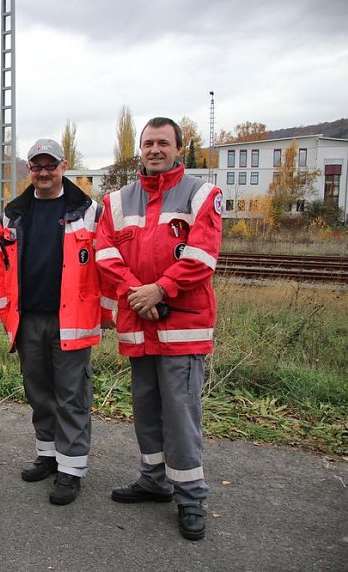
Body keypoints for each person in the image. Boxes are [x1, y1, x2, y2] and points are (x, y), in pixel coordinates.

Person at [95, 117, 223, 540]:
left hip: (181, 327)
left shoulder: (202, 195)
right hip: (139, 322)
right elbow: (105, 253)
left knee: (181, 413)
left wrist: (160, 290)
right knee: (146, 409)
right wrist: (138, 293)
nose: (154, 149)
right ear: (141, 148)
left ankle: (191, 497)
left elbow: (202, 256)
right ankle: (153, 480)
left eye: (163, 143)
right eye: (148, 142)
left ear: (178, 149)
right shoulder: (117, 201)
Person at [0, 138, 114, 506]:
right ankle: (47, 455)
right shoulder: (14, 213)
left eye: (50, 165)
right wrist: (7, 314)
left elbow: (107, 265)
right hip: (29, 319)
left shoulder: (89, 211)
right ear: (29, 170)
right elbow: (1, 266)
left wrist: (105, 314)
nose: (43, 172)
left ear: (63, 166)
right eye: (37, 166)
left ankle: (71, 469)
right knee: (39, 392)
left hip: (72, 320)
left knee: (71, 396)